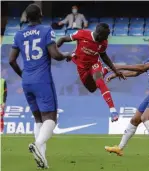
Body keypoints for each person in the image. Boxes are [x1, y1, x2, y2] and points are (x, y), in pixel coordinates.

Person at [9, 4, 71, 169]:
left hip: (27, 81)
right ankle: (37, 145)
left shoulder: (19, 34)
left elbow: (11, 60)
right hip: (42, 80)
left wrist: (23, 75)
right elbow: (55, 55)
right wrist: (66, 55)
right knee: (50, 118)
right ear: (41, 15)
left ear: (26, 17)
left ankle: (42, 159)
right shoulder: (46, 30)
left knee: (38, 119)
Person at [104, 38, 149, 158]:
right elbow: (136, 73)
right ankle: (119, 148)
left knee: (145, 117)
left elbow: (141, 68)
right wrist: (116, 74)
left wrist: (118, 66)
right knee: (135, 120)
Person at [57, 23, 125, 122]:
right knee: (92, 89)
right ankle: (105, 70)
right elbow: (62, 39)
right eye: (106, 36)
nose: (107, 38)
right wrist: (54, 51)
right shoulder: (82, 34)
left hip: (94, 64)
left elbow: (104, 56)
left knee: (99, 81)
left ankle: (113, 110)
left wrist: (115, 70)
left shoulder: (103, 43)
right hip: (82, 67)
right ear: (99, 35)